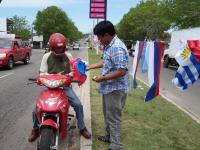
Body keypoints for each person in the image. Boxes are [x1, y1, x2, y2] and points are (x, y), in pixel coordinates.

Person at [28, 33, 91, 142]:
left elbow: (72, 71)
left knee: (78, 105)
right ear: (52, 47)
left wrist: (70, 75)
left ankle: (82, 127)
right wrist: (47, 78)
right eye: (57, 48)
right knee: (36, 109)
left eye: (61, 48)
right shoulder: (46, 56)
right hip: (50, 87)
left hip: (65, 87)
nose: (59, 50)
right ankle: (35, 129)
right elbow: (42, 72)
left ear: (65, 47)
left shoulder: (69, 56)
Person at [87, 21, 130, 150]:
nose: (99, 40)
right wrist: (90, 66)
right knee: (108, 114)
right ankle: (109, 136)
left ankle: (116, 145)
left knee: (113, 117)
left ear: (106, 34)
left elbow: (122, 71)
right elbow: (105, 61)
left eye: (99, 37)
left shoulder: (117, 47)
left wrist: (102, 78)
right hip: (109, 88)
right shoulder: (109, 45)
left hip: (116, 89)